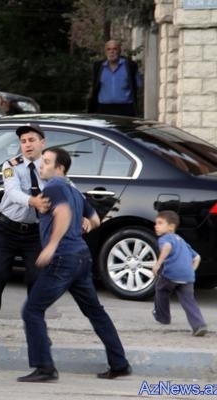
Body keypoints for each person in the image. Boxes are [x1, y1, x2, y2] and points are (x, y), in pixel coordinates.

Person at [19, 147, 131, 382]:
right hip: (80, 257)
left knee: (32, 310)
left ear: (60, 168)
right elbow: (95, 219)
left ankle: (45, 368)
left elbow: (62, 212)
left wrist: (51, 246)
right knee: (95, 311)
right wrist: (86, 225)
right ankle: (119, 363)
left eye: (46, 162)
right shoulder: (74, 191)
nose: (41, 165)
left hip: (62, 258)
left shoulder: (54, 187)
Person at [0, 124, 50, 348]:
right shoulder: (11, 165)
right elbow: (12, 191)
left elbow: (66, 187)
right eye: (23, 141)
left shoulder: (50, 165)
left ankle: (37, 332)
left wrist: (83, 213)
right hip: (6, 229)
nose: (27, 145)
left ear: (42, 142)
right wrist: (33, 201)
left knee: (37, 280)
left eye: (31, 140)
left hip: (34, 232)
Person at [151, 210, 208, 337]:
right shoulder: (182, 241)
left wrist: (158, 264)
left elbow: (167, 247)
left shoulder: (164, 238)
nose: (156, 226)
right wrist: (191, 270)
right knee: (189, 301)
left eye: (160, 223)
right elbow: (197, 257)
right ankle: (199, 325)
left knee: (161, 289)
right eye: (156, 223)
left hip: (171, 274)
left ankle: (163, 317)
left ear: (171, 227)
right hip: (188, 276)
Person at [87, 39, 142, 117]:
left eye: (114, 49)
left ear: (119, 51)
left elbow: (139, 86)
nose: (111, 52)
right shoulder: (99, 67)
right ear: (105, 52)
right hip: (104, 109)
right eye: (109, 49)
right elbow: (95, 87)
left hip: (126, 109)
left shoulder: (130, 66)